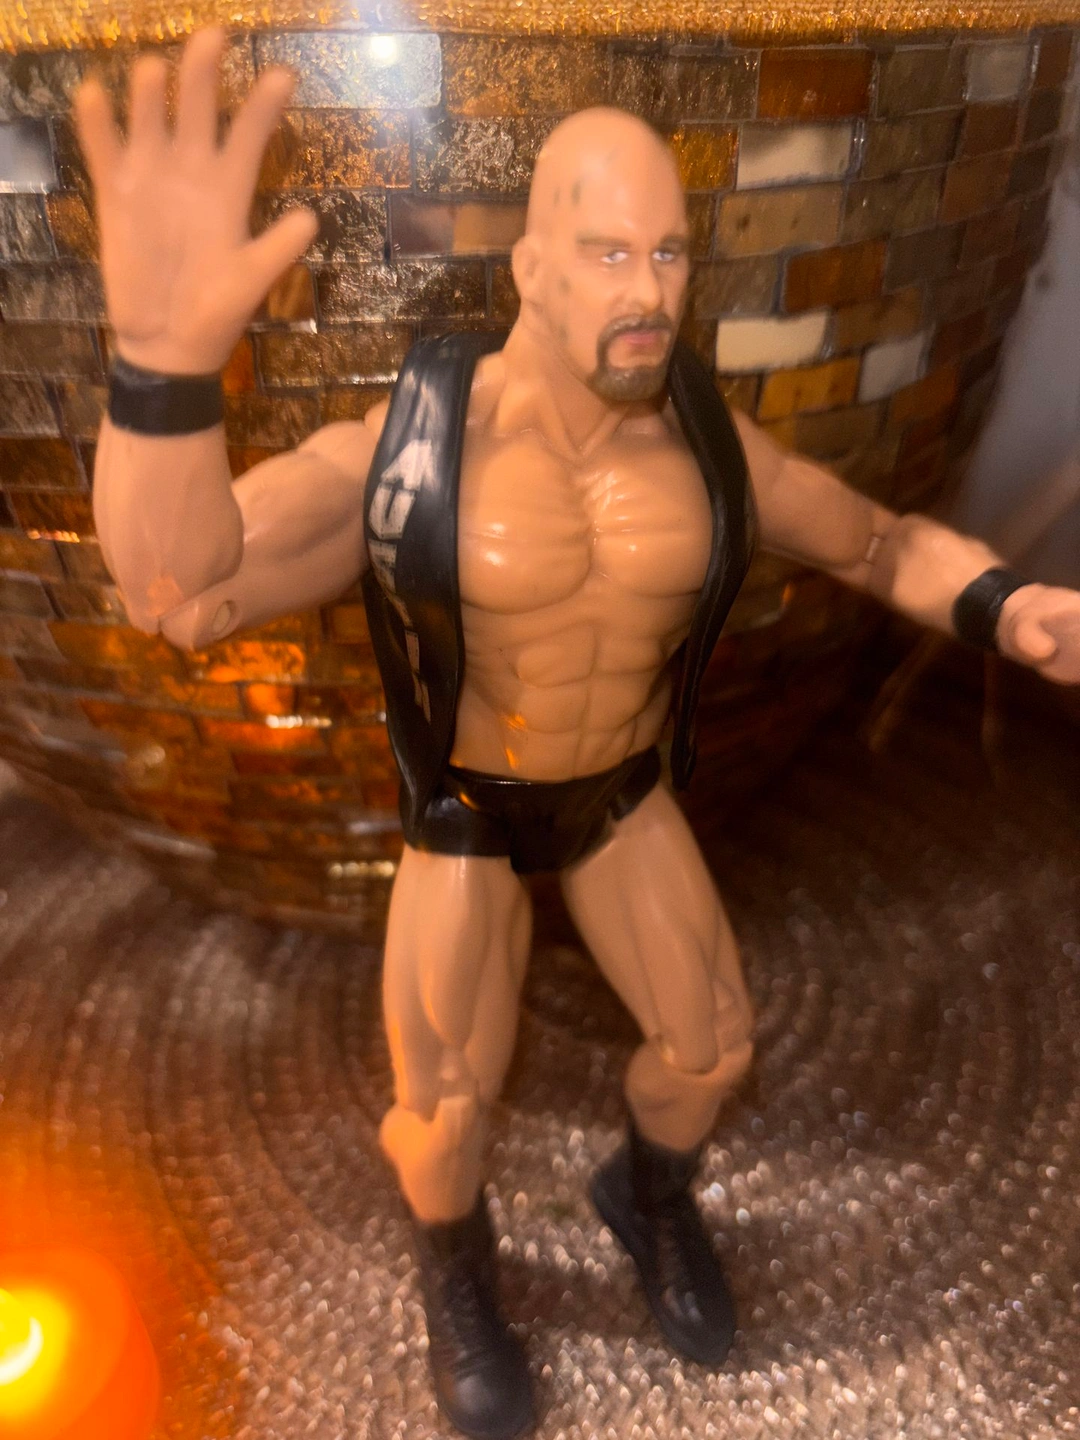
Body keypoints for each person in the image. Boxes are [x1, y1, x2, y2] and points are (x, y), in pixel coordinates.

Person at [74, 27, 1080, 1440]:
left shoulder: (708, 449)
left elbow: (880, 542)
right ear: (532, 270)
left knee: (711, 1046)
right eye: (608, 254)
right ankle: (457, 1270)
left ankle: (646, 1198)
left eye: (668, 254)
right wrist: (162, 380)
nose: (647, 291)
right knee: (442, 1110)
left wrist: (1005, 607)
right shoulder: (416, 445)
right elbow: (179, 590)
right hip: (468, 807)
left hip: (615, 793)